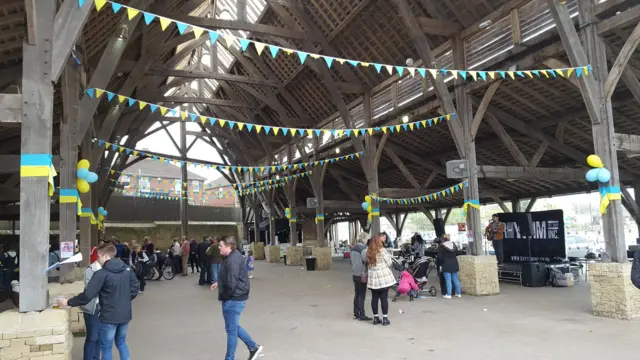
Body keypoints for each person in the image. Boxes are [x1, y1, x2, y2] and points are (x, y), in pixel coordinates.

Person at [57, 244, 138, 360]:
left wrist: (68, 302)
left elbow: (87, 295)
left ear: (105, 256)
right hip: (125, 314)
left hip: (108, 316)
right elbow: (134, 288)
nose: (97, 260)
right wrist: (122, 300)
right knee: (121, 343)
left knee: (106, 347)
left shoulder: (102, 274)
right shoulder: (126, 269)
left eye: (99, 257)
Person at [210, 236, 263, 360]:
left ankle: (230, 358)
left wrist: (226, 297)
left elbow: (232, 283)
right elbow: (229, 276)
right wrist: (219, 282)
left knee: (231, 331)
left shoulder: (233, 259)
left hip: (234, 299)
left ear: (229, 246)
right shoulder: (232, 256)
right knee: (232, 327)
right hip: (236, 296)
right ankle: (253, 347)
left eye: (221, 246)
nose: (219, 248)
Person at [364, 234, 395, 326]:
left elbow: (367, 264)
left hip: (373, 278)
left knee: (374, 298)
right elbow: (389, 263)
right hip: (383, 277)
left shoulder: (367, 251)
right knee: (384, 298)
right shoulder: (382, 251)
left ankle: (375, 318)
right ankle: (385, 319)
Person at [80, 258, 102, 360]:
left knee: (99, 338)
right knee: (92, 338)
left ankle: (96, 358)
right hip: (92, 308)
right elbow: (90, 292)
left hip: (102, 308)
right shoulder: (90, 270)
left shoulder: (106, 269)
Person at [350, 232, 371, 321]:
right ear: (364, 239)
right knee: (362, 295)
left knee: (357, 294)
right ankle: (362, 314)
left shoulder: (353, 248)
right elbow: (366, 260)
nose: (367, 241)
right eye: (367, 239)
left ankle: (356, 313)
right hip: (362, 274)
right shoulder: (363, 249)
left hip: (354, 273)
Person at [437, 234, 462, 299]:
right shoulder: (453, 244)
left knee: (448, 280)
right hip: (454, 263)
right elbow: (457, 253)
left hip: (446, 264)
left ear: (443, 239)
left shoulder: (441, 246)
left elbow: (439, 257)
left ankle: (449, 294)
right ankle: (459, 293)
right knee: (455, 279)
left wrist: (440, 265)